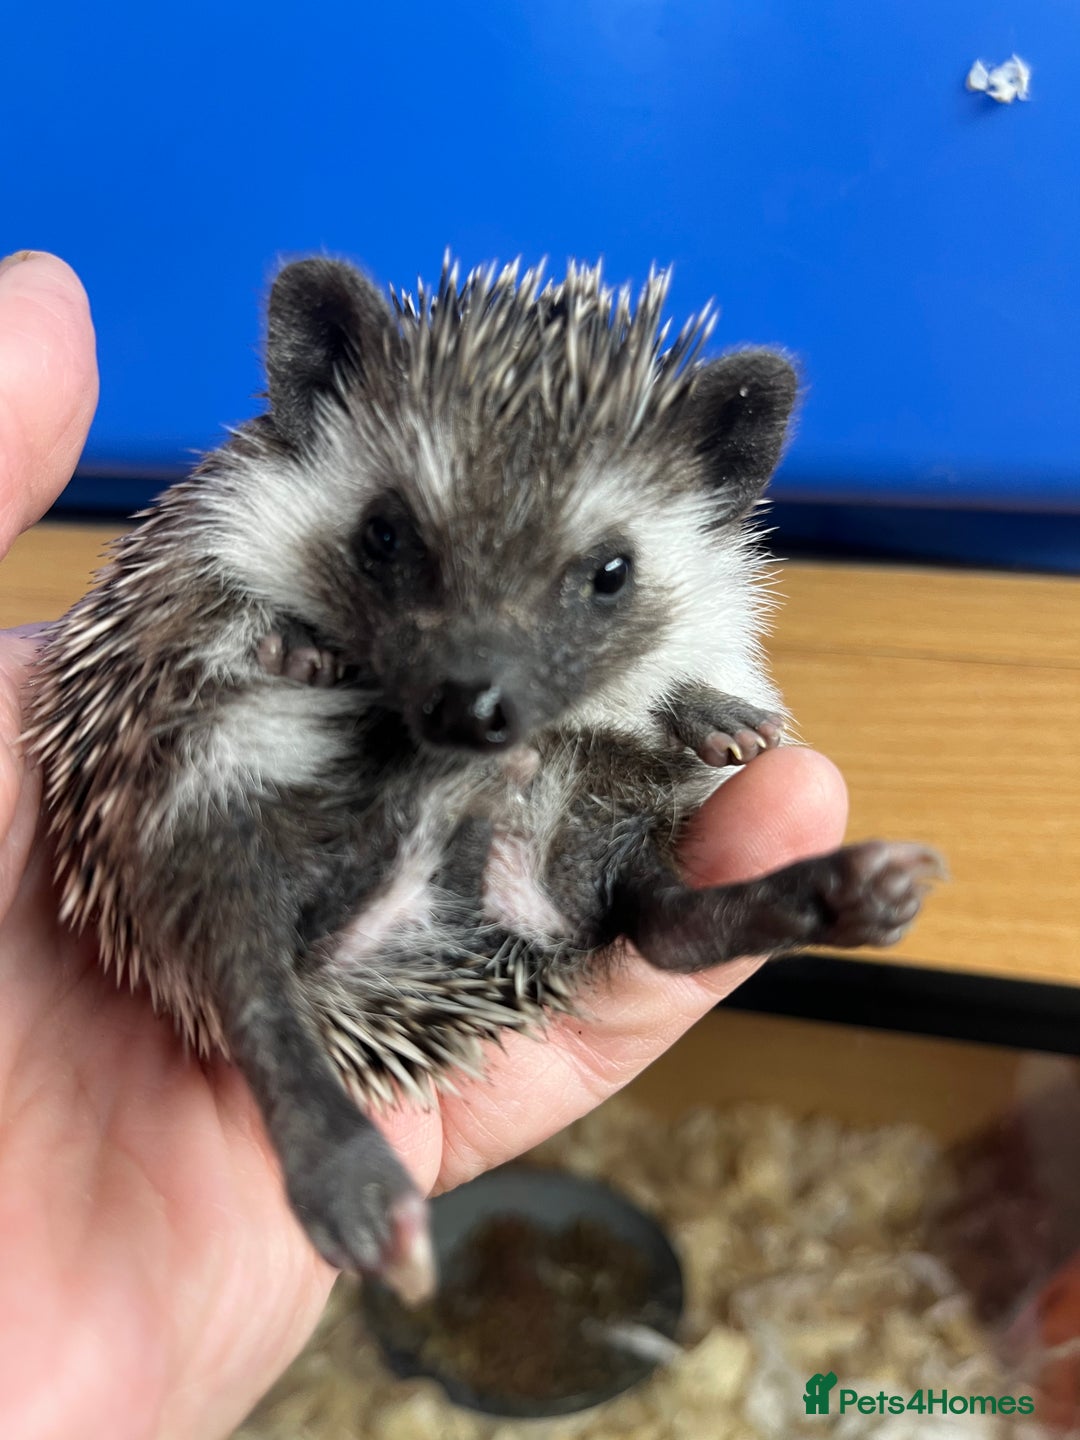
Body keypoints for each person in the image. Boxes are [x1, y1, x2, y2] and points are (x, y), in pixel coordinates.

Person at [0, 250, 848, 1440]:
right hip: (296, 901)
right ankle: (306, 1099)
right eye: (396, 543)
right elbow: (217, 646)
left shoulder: (672, 632)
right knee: (206, 767)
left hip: (489, 886)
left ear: (719, 479)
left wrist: (666, 713)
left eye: (600, 578)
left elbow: (656, 699)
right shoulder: (247, 553)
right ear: (316, 392)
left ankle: (681, 911)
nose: (479, 670)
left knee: (642, 800)